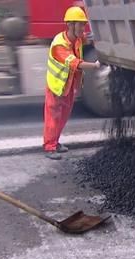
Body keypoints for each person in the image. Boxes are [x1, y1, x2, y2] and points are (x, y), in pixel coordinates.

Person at [44, 6, 100, 160]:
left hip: (68, 87)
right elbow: (75, 63)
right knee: (53, 118)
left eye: (83, 24)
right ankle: (49, 147)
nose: (83, 27)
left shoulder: (76, 39)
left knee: (63, 117)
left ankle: (56, 143)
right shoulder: (59, 45)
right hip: (57, 87)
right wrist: (95, 66)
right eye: (80, 24)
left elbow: (88, 38)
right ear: (70, 25)